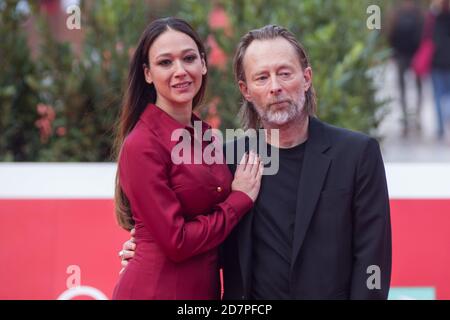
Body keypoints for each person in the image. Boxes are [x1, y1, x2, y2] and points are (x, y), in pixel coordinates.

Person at [120, 24, 392, 300]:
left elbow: (372, 258)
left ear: (307, 77)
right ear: (246, 90)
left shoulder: (356, 154)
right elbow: (192, 231)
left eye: (284, 73)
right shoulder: (223, 159)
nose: (275, 87)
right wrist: (144, 246)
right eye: (261, 77)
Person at [112, 17, 263, 300]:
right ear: (147, 73)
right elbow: (176, 241)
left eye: (189, 58)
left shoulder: (205, 137)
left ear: (203, 65)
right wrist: (238, 199)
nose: (180, 71)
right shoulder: (142, 144)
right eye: (165, 62)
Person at [388, 0, 424, 136]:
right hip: (405, 56)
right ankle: (409, 119)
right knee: (408, 88)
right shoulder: (416, 15)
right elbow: (391, 36)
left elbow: (391, 35)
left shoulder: (400, 15)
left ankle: (414, 118)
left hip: (411, 56)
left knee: (414, 88)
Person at [429, 0, 450, 140]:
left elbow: (429, 38)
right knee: (447, 96)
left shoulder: (434, 19)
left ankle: (441, 128)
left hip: (437, 62)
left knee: (438, 96)